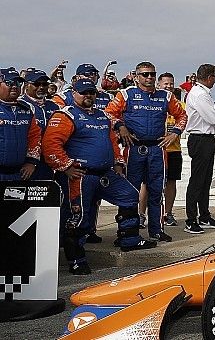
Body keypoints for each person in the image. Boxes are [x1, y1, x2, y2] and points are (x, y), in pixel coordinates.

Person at [42, 79, 156, 275]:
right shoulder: (65, 115)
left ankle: (129, 239)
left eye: (92, 93)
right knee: (78, 217)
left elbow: (113, 143)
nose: (88, 96)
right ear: (74, 93)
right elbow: (51, 145)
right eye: (84, 93)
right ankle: (76, 260)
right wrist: (66, 167)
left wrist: (119, 163)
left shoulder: (103, 116)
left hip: (104, 173)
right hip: (80, 175)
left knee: (129, 194)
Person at [106, 62, 187, 242]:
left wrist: (174, 133)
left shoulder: (166, 96)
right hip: (133, 149)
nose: (149, 77)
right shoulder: (126, 94)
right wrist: (121, 126)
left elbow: (182, 116)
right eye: (145, 74)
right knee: (130, 193)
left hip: (157, 150)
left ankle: (156, 230)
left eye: (152, 74)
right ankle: (128, 231)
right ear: (136, 77)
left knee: (157, 191)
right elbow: (109, 114)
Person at [184, 64, 215, 234]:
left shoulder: (200, 93)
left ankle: (204, 215)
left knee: (205, 180)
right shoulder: (200, 94)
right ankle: (190, 219)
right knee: (197, 180)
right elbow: (211, 117)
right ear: (209, 77)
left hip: (206, 138)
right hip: (200, 138)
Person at [0, 67, 42, 182]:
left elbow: (35, 137)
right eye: (9, 82)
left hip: (18, 174)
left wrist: (31, 162)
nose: (14, 86)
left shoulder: (27, 110)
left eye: (18, 82)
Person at [19, 69, 60, 180]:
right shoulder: (20, 105)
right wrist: (30, 161)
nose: (41, 87)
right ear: (27, 85)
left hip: (48, 162)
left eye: (45, 84)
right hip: (25, 162)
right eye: (37, 84)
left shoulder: (54, 106)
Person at [157, 73, 184, 227]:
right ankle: (141, 214)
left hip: (174, 150)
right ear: (159, 85)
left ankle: (168, 213)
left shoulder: (179, 105)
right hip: (157, 150)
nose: (168, 86)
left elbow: (184, 120)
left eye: (171, 84)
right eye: (165, 84)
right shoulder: (154, 102)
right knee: (147, 183)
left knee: (171, 182)